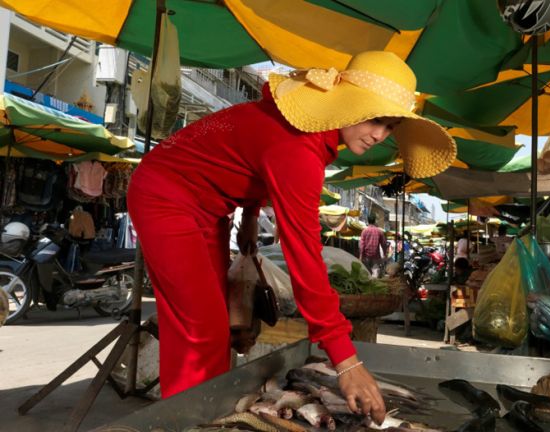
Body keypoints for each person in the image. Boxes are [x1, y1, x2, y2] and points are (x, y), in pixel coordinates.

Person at [126, 51, 456, 422]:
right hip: (164, 195)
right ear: (347, 103)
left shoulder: (309, 134)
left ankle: (212, 416)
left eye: (391, 126)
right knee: (198, 330)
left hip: (209, 206)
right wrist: (345, 361)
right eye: (376, 119)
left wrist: (250, 215)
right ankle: (186, 423)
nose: (380, 135)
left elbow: (246, 157)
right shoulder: (300, 148)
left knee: (217, 328)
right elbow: (304, 259)